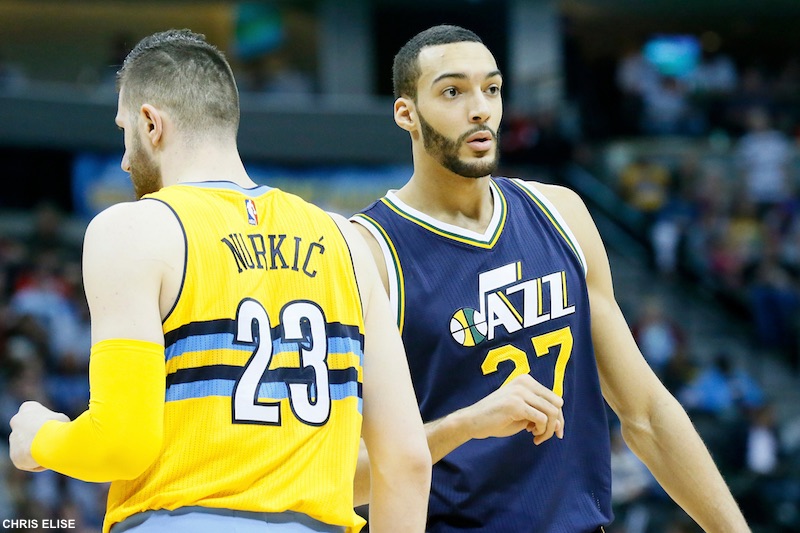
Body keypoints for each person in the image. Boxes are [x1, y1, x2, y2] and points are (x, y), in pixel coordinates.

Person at [8, 29, 430, 533]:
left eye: (124, 130)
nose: (123, 159)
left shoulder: (134, 228)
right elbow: (407, 461)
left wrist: (39, 438)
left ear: (151, 124)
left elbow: (121, 443)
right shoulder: (349, 243)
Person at [350, 24, 749, 532]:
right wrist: (466, 425)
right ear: (406, 113)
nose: (480, 109)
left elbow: (646, 414)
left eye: (491, 88)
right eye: (452, 92)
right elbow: (344, 476)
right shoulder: (366, 251)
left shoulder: (562, 212)